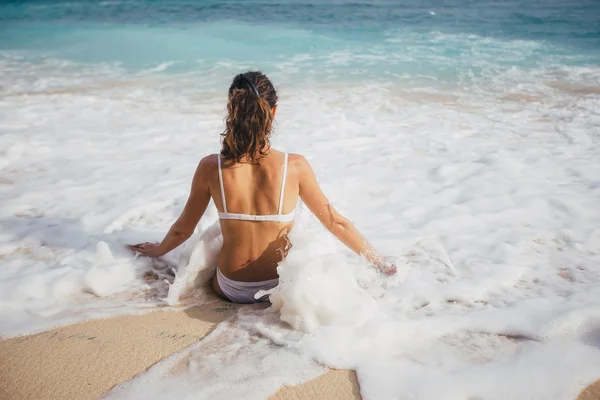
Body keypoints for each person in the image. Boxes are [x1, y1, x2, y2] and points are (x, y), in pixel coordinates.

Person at [129, 71, 396, 304]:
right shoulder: (295, 166)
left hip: (230, 287)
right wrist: (381, 263)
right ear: (274, 111)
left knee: (212, 246)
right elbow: (336, 223)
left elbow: (182, 229)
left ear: (231, 110)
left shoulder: (211, 167)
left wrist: (157, 251)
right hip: (280, 288)